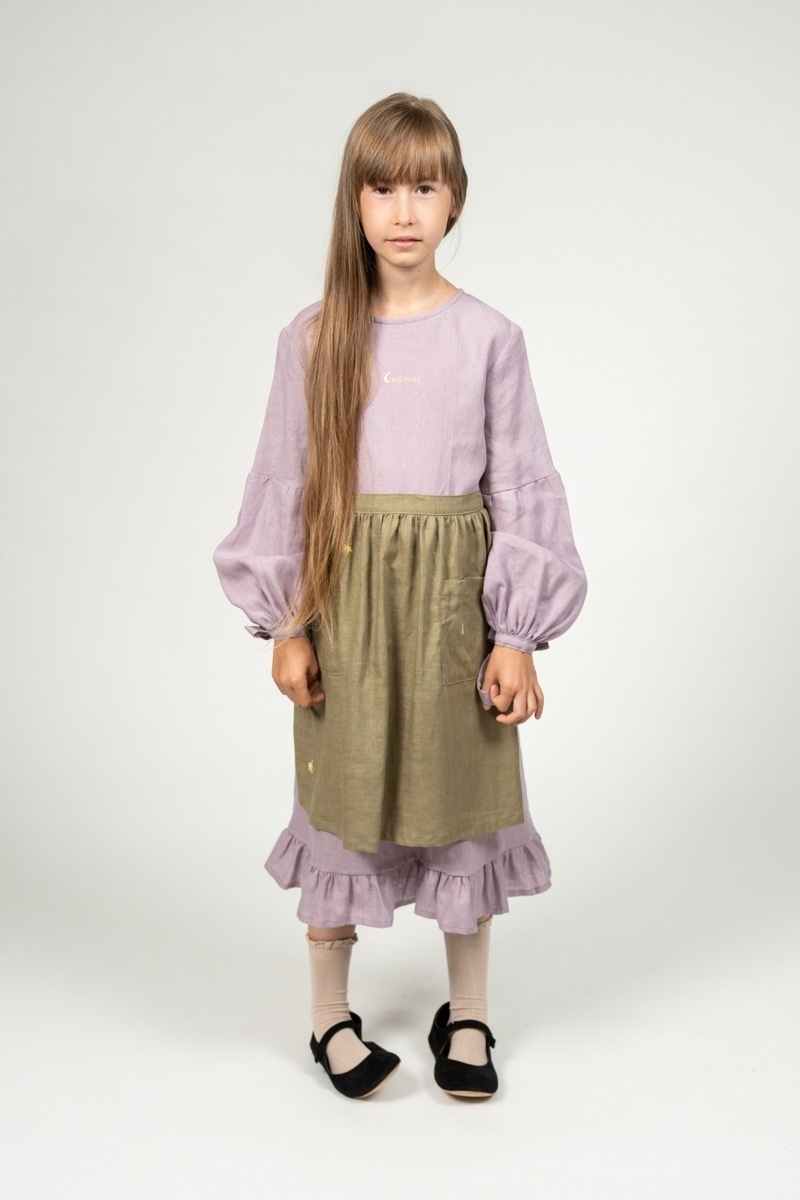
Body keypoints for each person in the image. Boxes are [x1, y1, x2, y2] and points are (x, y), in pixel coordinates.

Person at [213, 92, 588, 1101]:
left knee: (464, 805)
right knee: (338, 805)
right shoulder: (314, 337)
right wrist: (288, 623)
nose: (404, 210)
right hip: (349, 614)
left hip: (452, 617)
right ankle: (326, 1016)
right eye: (381, 189)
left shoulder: (489, 336)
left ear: (455, 198)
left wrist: (515, 635)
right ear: (355, 203)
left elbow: (523, 486)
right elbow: (283, 484)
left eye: (423, 187)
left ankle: (468, 1014)